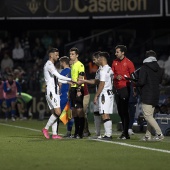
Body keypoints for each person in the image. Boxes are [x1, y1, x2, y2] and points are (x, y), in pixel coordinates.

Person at [42, 48, 75, 140]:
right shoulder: (49, 65)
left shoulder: (51, 65)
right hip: (52, 91)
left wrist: (68, 82)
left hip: (53, 91)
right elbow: (59, 76)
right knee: (58, 112)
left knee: (54, 113)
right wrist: (70, 79)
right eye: (56, 55)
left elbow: (57, 79)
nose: (58, 56)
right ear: (51, 55)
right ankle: (45, 129)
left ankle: (55, 134)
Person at [135, 50, 164, 141]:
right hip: (156, 93)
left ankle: (159, 134)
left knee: (147, 116)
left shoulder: (144, 67)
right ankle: (148, 136)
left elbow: (142, 82)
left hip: (147, 93)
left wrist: (135, 81)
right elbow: (160, 81)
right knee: (150, 116)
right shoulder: (158, 67)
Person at [112, 45, 135, 139]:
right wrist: (115, 77)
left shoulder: (129, 63)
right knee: (120, 111)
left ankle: (125, 133)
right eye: (116, 52)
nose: (115, 53)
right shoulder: (114, 62)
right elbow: (111, 74)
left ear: (123, 52)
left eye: (117, 52)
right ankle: (124, 132)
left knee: (125, 111)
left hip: (125, 88)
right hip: (116, 88)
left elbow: (133, 77)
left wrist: (132, 87)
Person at [78, 51, 102, 138]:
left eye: (95, 59)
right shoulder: (99, 69)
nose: (94, 62)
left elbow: (97, 82)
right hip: (99, 94)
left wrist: (84, 81)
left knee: (104, 113)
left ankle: (108, 134)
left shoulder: (105, 69)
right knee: (96, 112)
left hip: (103, 94)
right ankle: (98, 133)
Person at [69, 47, 85, 139]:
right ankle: (76, 132)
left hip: (78, 89)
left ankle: (80, 132)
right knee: (74, 112)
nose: (71, 56)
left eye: (73, 54)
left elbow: (81, 77)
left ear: (77, 55)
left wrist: (79, 90)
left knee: (79, 111)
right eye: (70, 54)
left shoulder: (80, 65)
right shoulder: (72, 65)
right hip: (72, 89)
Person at [59, 56, 74, 137]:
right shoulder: (71, 71)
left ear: (63, 62)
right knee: (67, 113)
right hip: (67, 94)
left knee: (59, 113)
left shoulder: (64, 72)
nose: (60, 64)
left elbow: (60, 84)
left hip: (64, 94)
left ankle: (56, 132)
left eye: (61, 62)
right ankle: (68, 131)